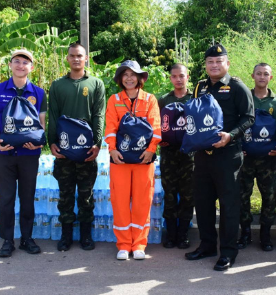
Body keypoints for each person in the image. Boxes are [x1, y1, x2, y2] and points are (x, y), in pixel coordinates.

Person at [185, 43, 254, 271]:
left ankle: (227, 252)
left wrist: (231, 135)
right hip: (203, 156)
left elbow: (249, 118)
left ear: (227, 63)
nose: (214, 65)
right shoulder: (200, 87)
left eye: (218, 61)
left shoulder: (237, 87)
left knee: (228, 205)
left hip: (227, 155)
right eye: (210, 62)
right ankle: (206, 245)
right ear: (205, 65)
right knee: (203, 202)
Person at [0, 49, 45, 258]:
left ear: (32, 68)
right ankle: (7, 240)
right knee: (7, 197)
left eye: (25, 62)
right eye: (17, 62)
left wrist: (38, 144)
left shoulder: (38, 93)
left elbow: (42, 123)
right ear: (10, 65)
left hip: (29, 155)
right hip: (4, 153)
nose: (21, 66)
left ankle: (27, 238)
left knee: (27, 197)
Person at [47, 42, 104, 252]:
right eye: (72, 56)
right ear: (68, 58)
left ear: (86, 58)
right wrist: (51, 142)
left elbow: (98, 115)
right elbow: (52, 115)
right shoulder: (57, 85)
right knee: (66, 195)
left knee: (86, 195)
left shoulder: (96, 84)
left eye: (80, 56)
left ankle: (86, 236)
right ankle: (66, 236)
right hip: (63, 150)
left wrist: (97, 144)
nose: (76, 59)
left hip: (86, 150)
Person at [104, 59, 160, 262]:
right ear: (120, 78)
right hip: (119, 160)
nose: (129, 78)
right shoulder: (114, 99)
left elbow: (156, 127)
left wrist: (151, 150)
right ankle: (123, 244)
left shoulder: (149, 99)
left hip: (143, 159)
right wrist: (112, 150)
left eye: (132, 74)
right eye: (125, 74)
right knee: (119, 201)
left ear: (139, 78)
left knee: (142, 201)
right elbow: (110, 126)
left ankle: (139, 244)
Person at [238, 62, 276, 252]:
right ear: (253, 76)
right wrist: (238, 147)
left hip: (268, 159)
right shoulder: (244, 97)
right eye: (258, 73)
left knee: (269, 198)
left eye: (266, 74)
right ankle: (245, 233)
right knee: (243, 197)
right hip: (246, 159)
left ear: (270, 78)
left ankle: (265, 235)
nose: (262, 77)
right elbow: (237, 124)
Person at [157, 63, 194, 249]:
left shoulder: (195, 98)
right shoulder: (163, 100)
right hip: (169, 153)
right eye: (174, 76)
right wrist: (158, 140)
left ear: (188, 76)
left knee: (188, 195)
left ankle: (183, 234)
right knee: (169, 194)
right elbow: (156, 125)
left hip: (190, 155)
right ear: (170, 78)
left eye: (182, 76)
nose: (178, 79)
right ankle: (171, 234)